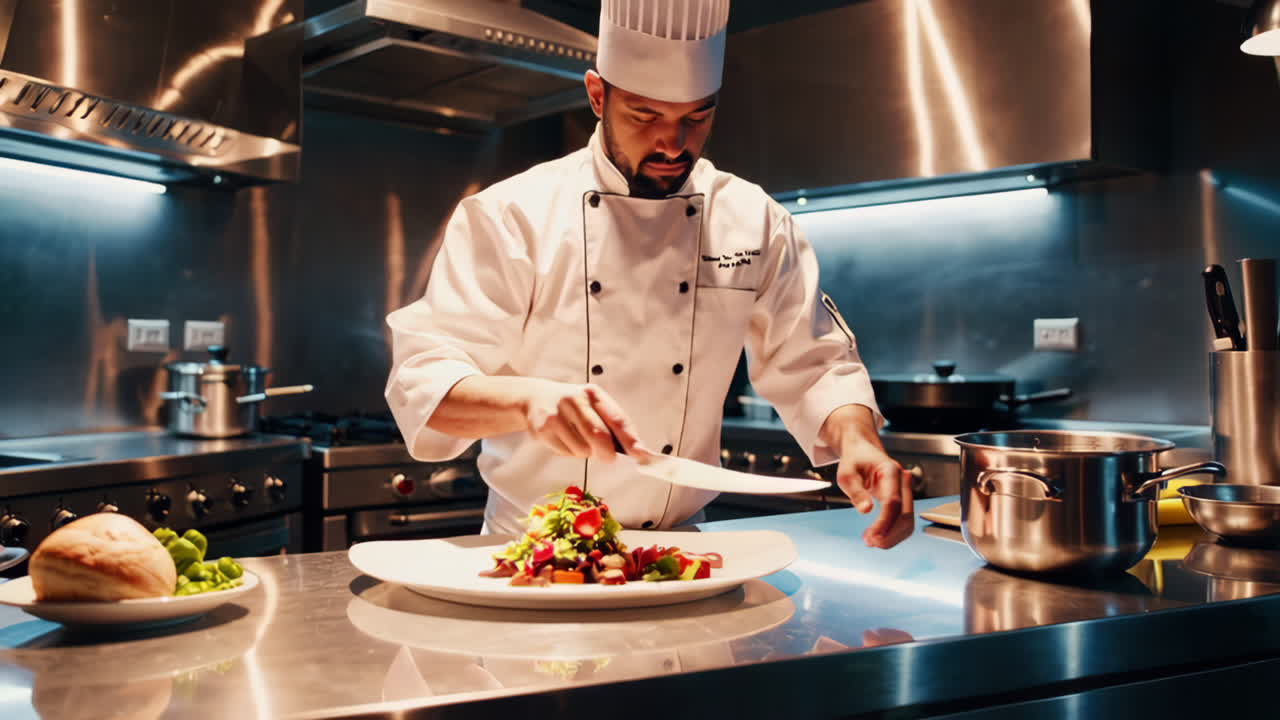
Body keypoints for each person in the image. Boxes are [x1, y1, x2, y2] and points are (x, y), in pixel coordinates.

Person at [385, 0, 912, 548]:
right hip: (532, 555)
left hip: (682, 552)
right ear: (596, 95)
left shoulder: (752, 220)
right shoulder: (512, 216)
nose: (672, 143)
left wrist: (859, 440)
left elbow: (815, 363)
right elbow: (423, 382)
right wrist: (528, 402)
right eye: (644, 116)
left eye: (695, 117)